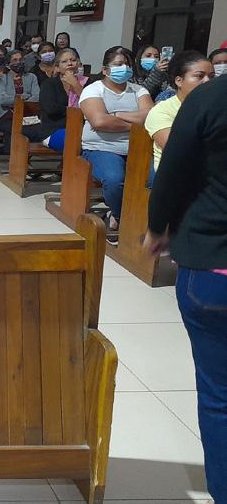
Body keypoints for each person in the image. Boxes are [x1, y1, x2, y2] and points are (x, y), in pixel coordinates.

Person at [144, 72, 227, 504]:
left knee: (220, 395)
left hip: (214, 261)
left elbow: (172, 172)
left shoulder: (211, 98)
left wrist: (158, 227)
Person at [79, 46, 154, 237]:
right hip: (101, 148)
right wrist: (135, 123)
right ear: (105, 70)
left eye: (127, 64)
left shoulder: (139, 90)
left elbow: (150, 116)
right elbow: (99, 121)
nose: (124, 68)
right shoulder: (93, 90)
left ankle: (146, 218)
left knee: (156, 178)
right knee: (114, 179)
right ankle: (121, 216)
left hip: (137, 149)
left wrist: (116, 115)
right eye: (119, 64)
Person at [144, 51, 213, 171]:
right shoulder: (162, 111)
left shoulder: (215, 107)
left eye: (211, 76)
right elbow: (180, 150)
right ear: (179, 81)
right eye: (199, 76)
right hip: (179, 176)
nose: (207, 81)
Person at [26, 48, 83, 150]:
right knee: (74, 140)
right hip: (53, 130)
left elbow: (92, 105)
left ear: (78, 63)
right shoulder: (49, 84)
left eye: (73, 60)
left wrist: (76, 85)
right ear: (57, 67)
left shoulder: (87, 83)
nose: (70, 63)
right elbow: (50, 108)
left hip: (81, 128)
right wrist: (74, 111)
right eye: (64, 61)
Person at [0, 50, 41, 144]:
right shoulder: (2, 78)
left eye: (20, 59)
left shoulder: (31, 77)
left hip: (29, 115)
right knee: (18, 130)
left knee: (38, 129)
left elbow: (37, 97)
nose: (18, 62)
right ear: (8, 64)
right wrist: (25, 96)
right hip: (8, 116)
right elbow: (3, 100)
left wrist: (17, 101)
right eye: (15, 60)